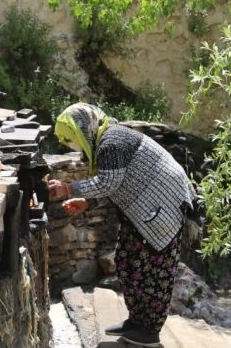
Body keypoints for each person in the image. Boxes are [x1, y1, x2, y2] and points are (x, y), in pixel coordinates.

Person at [48, 102, 196, 347]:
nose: (70, 146)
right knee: (128, 263)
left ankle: (149, 332)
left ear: (84, 129)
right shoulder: (110, 139)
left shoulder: (112, 141)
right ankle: (137, 323)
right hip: (146, 209)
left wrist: (68, 188)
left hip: (162, 211)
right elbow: (118, 184)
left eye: (70, 138)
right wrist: (87, 202)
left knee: (154, 273)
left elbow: (108, 183)